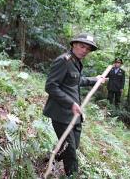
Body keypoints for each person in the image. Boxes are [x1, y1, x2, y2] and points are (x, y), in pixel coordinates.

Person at [43, 33, 102, 177]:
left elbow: (76, 81)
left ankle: (52, 158)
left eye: (88, 49)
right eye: (82, 46)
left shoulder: (76, 62)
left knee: (73, 145)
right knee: (70, 152)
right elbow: (51, 86)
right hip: (61, 113)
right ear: (74, 45)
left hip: (75, 115)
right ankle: (72, 175)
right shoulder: (64, 61)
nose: (85, 51)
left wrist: (96, 79)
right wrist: (71, 104)